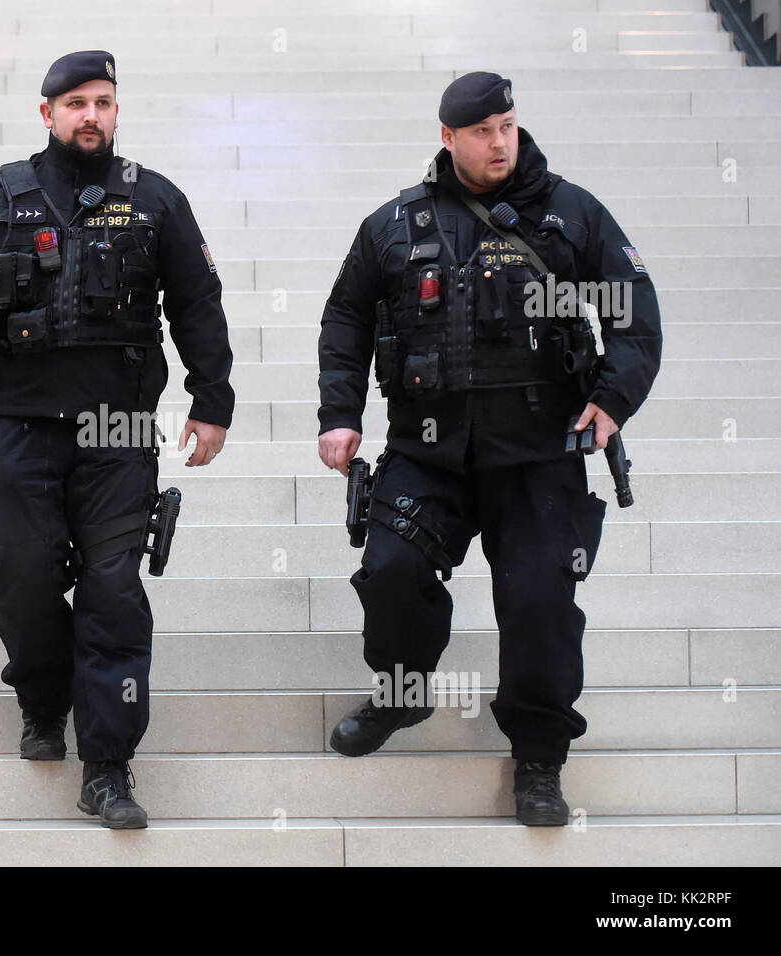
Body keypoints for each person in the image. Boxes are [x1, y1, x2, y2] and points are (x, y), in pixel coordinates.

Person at [317, 72, 661, 825]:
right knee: (392, 571)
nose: (499, 140)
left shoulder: (571, 216)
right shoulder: (397, 223)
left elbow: (633, 312)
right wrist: (339, 415)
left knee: (539, 602)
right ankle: (402, 692)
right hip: (427, 451)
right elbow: (344, 318)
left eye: (507, 124)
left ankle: (539, 757)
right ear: (448, 138)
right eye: (482, 131)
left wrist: (612, 397)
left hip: (539, 450)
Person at [0, 51, 234, 829]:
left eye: (105, 102)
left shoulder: (154, 200)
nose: (91, 115)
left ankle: (109, 767)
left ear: (117, 112)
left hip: (118, 430)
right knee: (20, 579)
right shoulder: (0, 198)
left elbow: (198, 303)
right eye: (76, 103)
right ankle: (42, 694)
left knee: (114, 592)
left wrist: (211, 399)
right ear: (47, 113)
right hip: (19, 423)